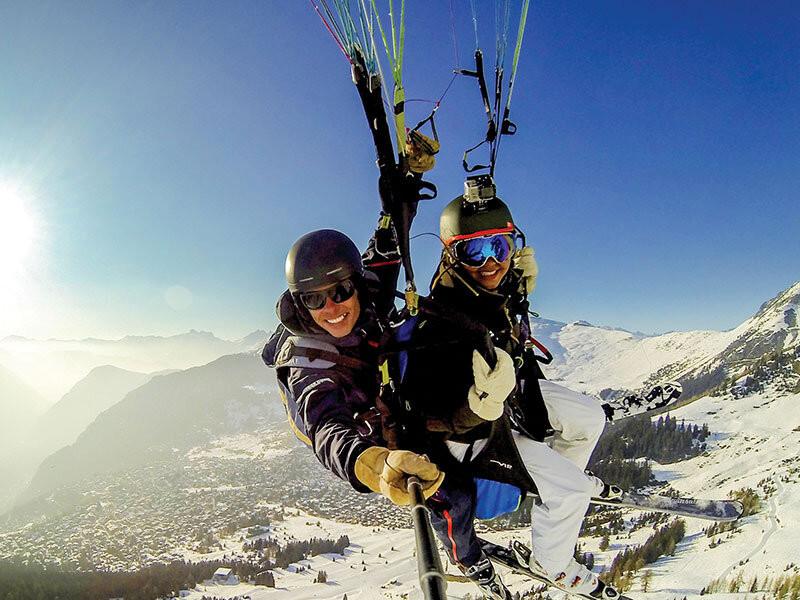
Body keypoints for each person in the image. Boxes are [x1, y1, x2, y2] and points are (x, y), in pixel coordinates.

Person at [394, 176, 620, 599]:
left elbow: (501, 306)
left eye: (499, 246)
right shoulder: (439, 326)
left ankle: (554, 479)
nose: (489, 262)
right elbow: (429, 416)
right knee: (570, 495)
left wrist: (518, 288)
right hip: (471, 434)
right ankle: (553, 559)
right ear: (450, 257)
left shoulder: (488, 290)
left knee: (588, 419)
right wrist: (477, 406)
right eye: (473, 251)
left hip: (507, 403)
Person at [261, 226, 517, 593]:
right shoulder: (306, 366)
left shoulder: (369, 289)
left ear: (356, 284)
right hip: (373, 430)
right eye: (315, 300)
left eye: (339, 292)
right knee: (451, 495)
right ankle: (467, 556)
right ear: (300, 303)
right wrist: (374, 464)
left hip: (391, 387)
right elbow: (326, 428)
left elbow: (384, 252)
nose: (331, 308)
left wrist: (404, 188)